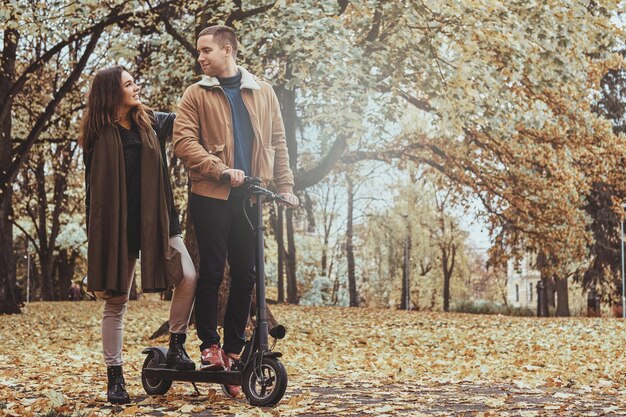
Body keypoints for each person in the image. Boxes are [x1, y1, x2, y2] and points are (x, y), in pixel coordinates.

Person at [173, 25, 298, 398]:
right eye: (199, 51)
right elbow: (183, 142)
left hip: (251, 197)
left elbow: (278, 140)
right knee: (212, 270)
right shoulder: (195, 94)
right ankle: (209, 346)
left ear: (228, 50)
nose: (201, 57)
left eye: (206, 50)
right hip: (210, 194)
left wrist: (286, 187)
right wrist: (219, 168)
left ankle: (233, 350)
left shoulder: (263, 92)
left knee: (247, 273)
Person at [79, 66, 197, 404]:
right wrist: (98, 240)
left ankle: (176, 344)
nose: (136, 87)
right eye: (129, 84)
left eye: (134, 82)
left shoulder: (153, 122)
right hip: (117, 228)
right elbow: (94, 191)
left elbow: (189, 118)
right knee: (116, 304)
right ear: (112, 94)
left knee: (188, 276)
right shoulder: (98, 134)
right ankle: (115, 377)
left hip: (159, 222)